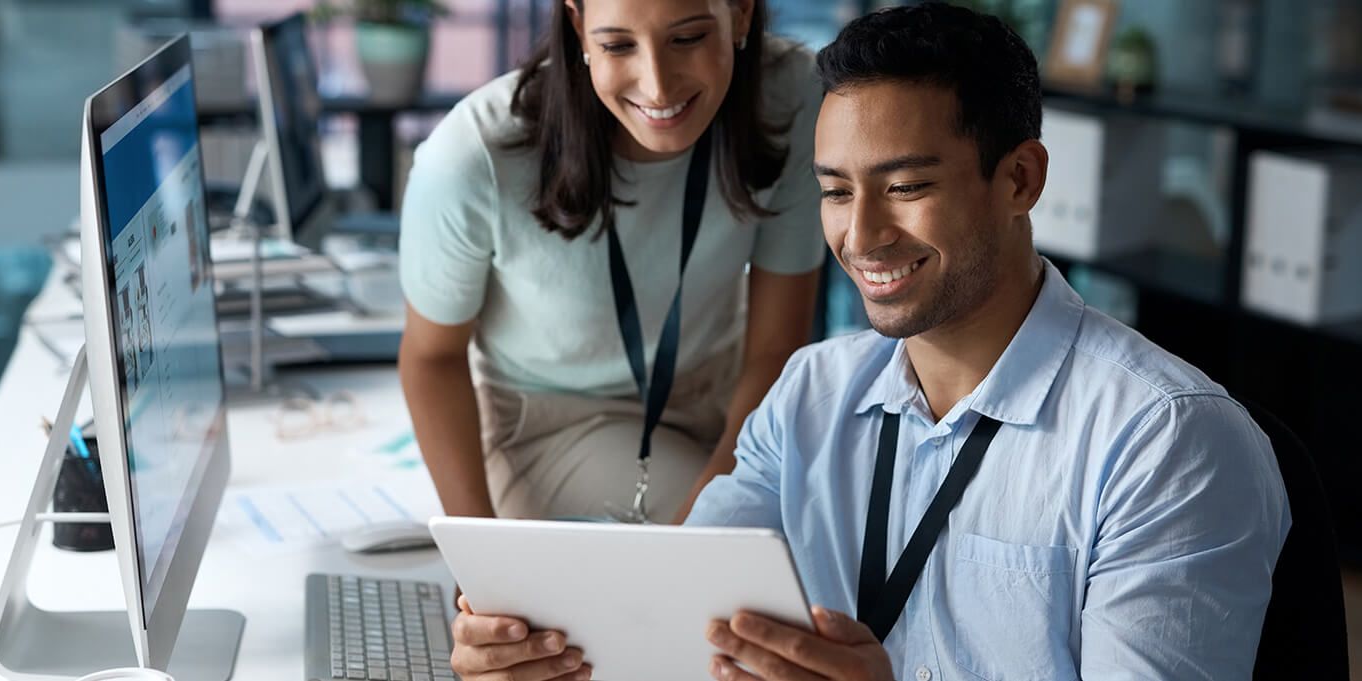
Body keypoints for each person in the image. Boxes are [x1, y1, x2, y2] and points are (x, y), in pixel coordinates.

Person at [445, 5, 1291, 681]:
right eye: (836, 192)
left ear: (1020, 180)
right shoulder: (811, 394)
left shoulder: (1169, 443)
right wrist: (546, 653)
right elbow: (676, 620)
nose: (863, 234)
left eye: (907, 186)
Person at [397, 0, 825, 526]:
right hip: (558, 422)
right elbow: (431, 359)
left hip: (728, 396)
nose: (658, 87)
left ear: (739, 14)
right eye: (618, 45)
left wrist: (721, 489)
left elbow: (777, 345)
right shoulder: (473, 155)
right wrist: (481, 561)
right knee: (783, 550)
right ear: (578, 26)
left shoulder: (794, 94)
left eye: (687, 39)